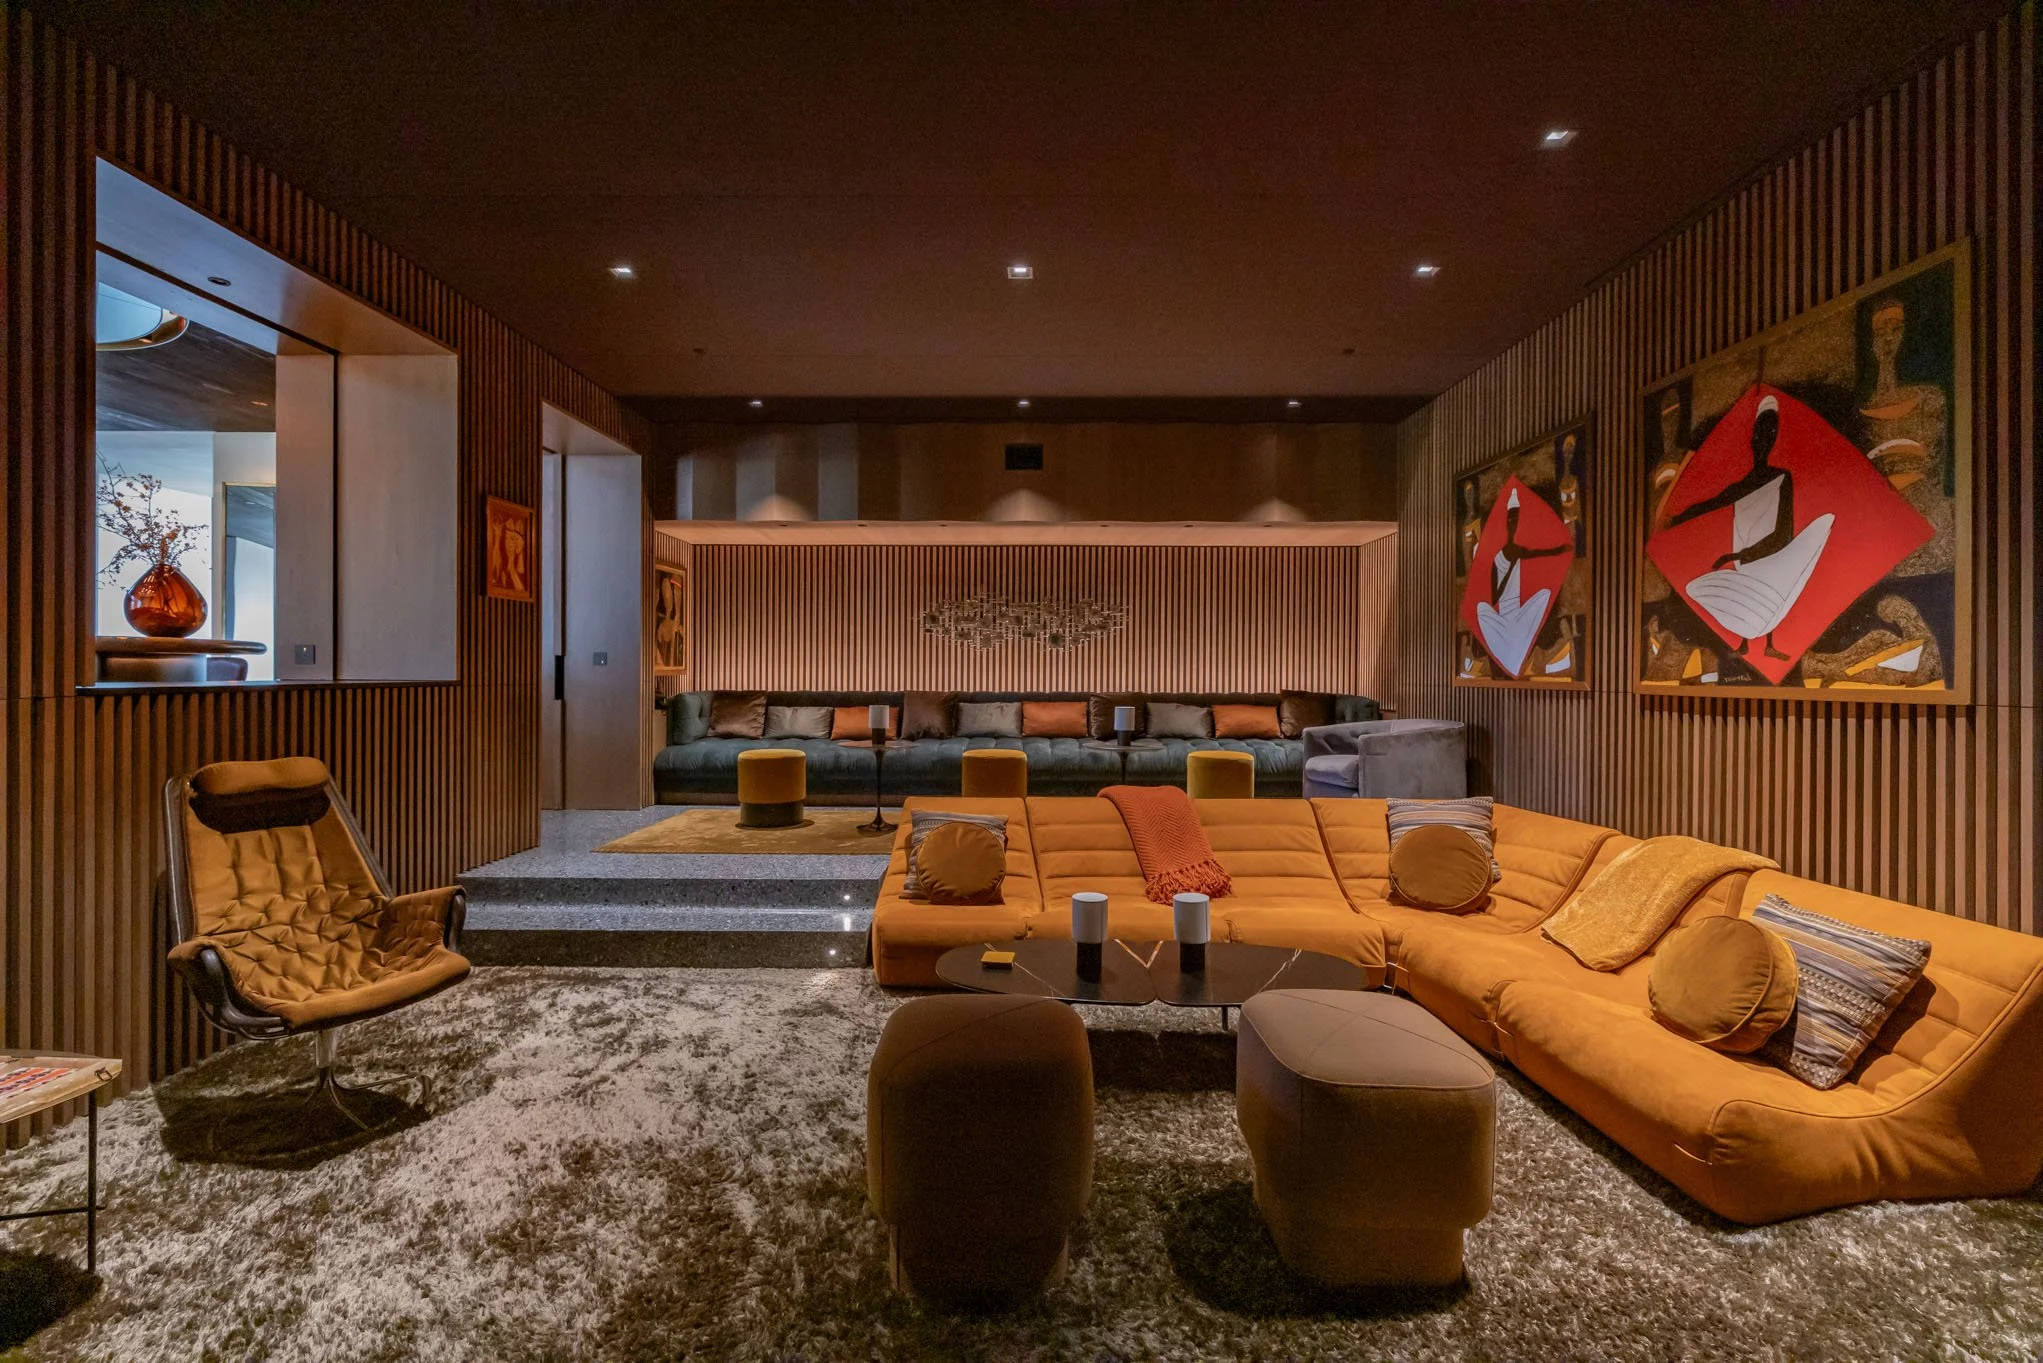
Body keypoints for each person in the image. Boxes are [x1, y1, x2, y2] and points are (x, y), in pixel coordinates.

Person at [1661, 393, 1834, 664]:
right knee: (1746, 593)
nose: (1761, 442)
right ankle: (1744, 642)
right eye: (1757, 435)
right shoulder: (1746, 483)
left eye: (1768, 434)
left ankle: (1768, 644)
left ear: (1773, 438)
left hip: (1765, 549)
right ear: (1753, 440)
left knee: (1766, 591)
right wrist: (1680, 517)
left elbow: (1782, 529)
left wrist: (1743, 555)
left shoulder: (1780, 477)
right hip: (1743, 544)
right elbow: (1715, 503)